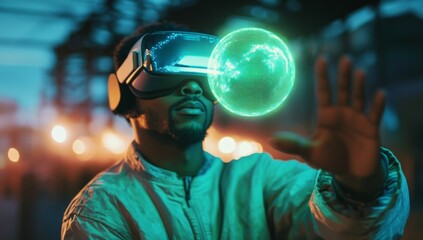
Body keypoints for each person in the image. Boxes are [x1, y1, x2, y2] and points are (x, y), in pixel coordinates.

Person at [61, 22, 409, 239]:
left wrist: (359, 184)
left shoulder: (261, 179)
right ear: (122, 96)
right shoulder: (102, 212)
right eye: (167, 75)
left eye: (204, 77)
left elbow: (335, 228)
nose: (193, 88)